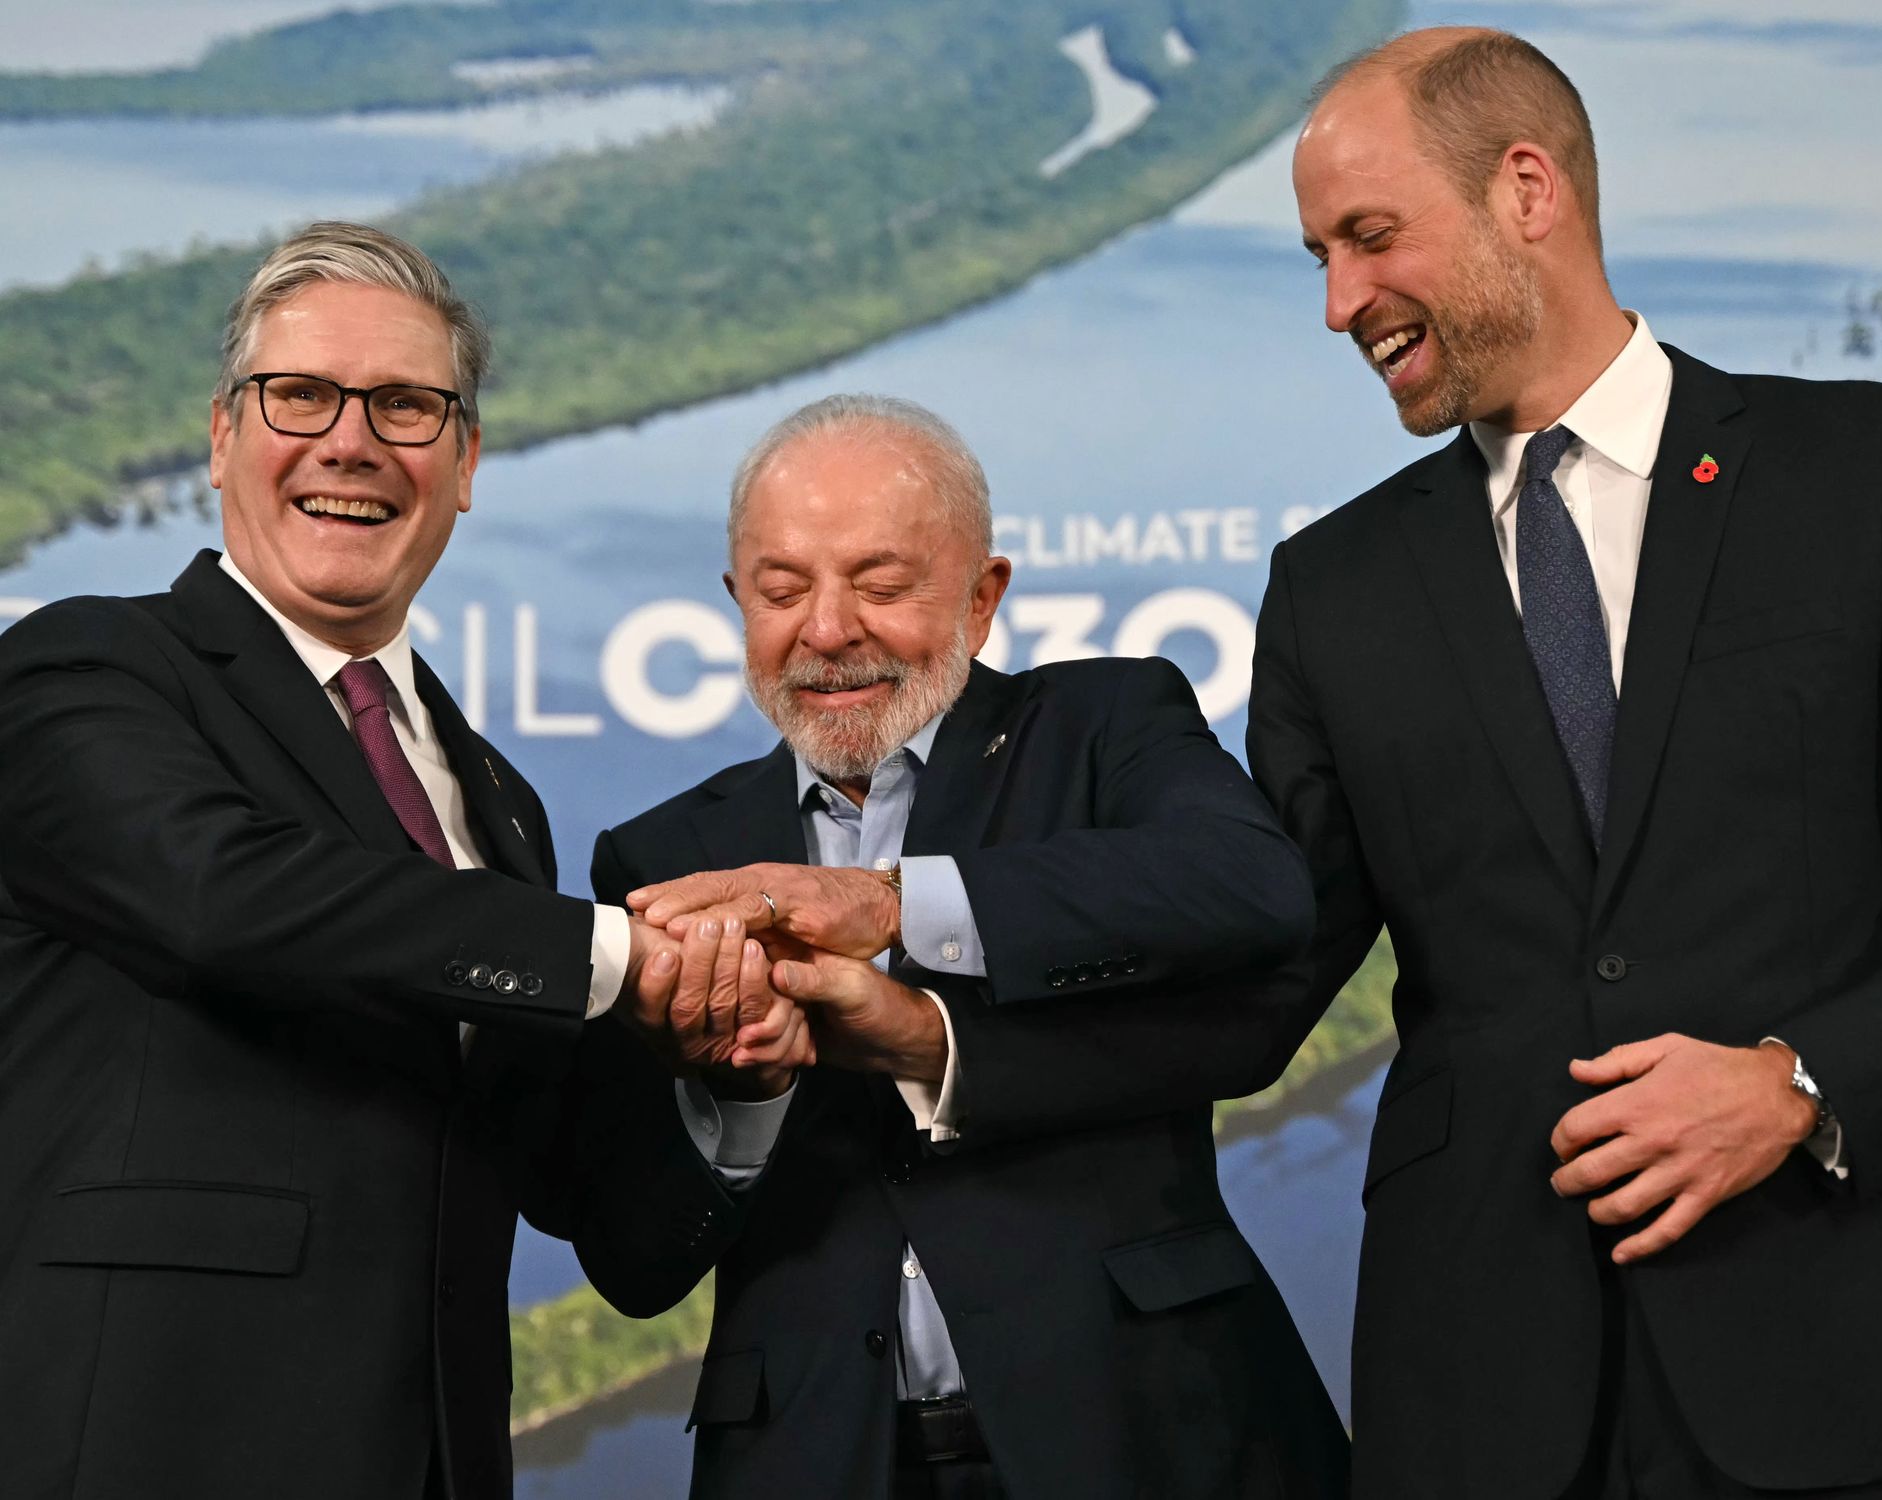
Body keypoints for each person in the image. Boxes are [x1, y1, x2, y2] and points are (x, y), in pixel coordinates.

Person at [1253, 25, 1882, 1499]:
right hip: (1477, 1398)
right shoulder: (1334, 588)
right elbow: (1252, 972)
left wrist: (1802, 1083)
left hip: (1828, 1363)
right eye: (1319, 259)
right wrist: (930, 995)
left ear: (1526, 188)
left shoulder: (1867, 471)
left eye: (1370, 237)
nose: (1340, 304)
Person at [0, 221, 736, 1500]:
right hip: (149, 1447)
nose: (349, 442)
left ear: (464, 463)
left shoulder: (496, 805)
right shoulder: (86, 671)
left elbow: (614, 1231)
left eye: (404, 405)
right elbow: (221, 899)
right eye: (300, 395)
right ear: (221, 437)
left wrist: (741, 1071)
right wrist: (620, 952)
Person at [569, 393, 1350, 1499]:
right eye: (782, 591)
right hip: (810, 1460)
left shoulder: (1103, 724)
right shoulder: (663, 860)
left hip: (1147, 1429)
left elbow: (1251, 884)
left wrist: (890, 903)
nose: (826, 630)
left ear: (982, 598)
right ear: (737, 603)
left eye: (881, 586)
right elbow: (632, 1260)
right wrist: (738, 1103)